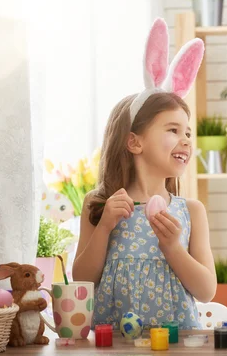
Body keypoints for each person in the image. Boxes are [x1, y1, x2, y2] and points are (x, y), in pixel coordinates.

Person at [72, 18, 216, 330]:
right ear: (134, 142)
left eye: (188, 132)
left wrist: (173, 248)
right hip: (114, 352)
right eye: (173, 129)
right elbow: (81, 280)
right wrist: (105, 227)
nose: (186, 140)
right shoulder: (99, 205)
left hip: (177, 353)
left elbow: (207, 290)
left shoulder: (190, 211)